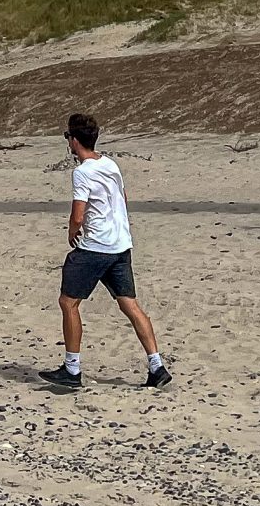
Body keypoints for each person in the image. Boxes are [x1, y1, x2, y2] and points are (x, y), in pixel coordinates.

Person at [40, 114, 170, 391]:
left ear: (75, 141)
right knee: (130, 304)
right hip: (120, 244)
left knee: (68, 303)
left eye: (68, 138)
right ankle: (156, 365)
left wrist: (72, 231)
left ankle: (72, 369)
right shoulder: (110, 164)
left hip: (96, 247)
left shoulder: (82, 172)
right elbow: (122, 198)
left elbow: (78, 214)